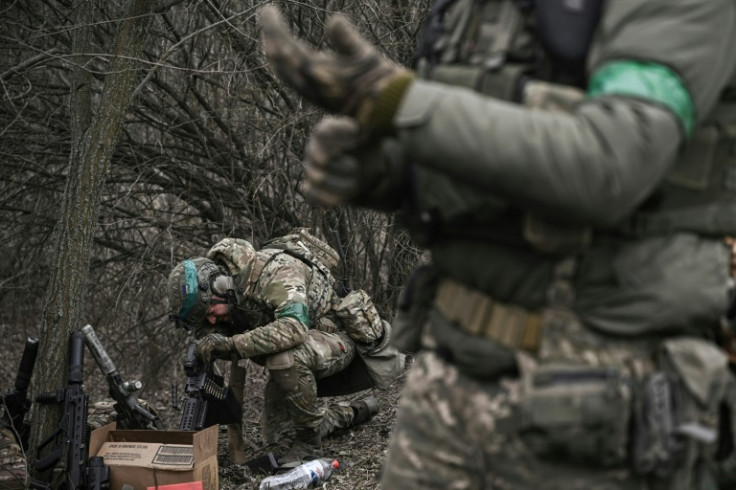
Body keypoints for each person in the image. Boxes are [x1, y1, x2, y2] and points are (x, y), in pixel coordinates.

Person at [259, 1, 736, 489]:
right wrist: (387, 171)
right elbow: (487, 140)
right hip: (454, 370)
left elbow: (611, 162)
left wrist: (398, 102)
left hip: (606, 391)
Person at [167, 229, 403, 464]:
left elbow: (294, 328)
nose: (211, 320)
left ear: (218, 285)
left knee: (285, 358)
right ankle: (352, 412)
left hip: (337, 340)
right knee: (280, 436)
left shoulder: (276, 270)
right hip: (305, 351)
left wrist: (231, 344)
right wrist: (207, 347)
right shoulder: (229, 293)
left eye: (210, 312)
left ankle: (309, 446)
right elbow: (215, 331)